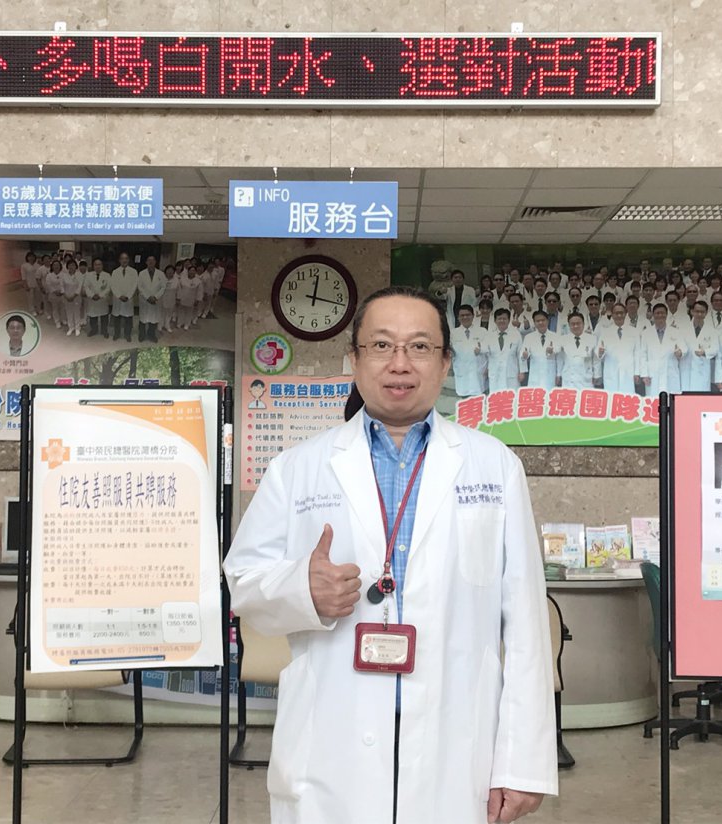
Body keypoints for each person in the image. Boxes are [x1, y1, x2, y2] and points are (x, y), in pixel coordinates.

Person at [223, 285, 557, 824]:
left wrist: (523, 762)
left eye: (419, 347)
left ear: (444, 363)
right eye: (381, 345)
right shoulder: (298, 468)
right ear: (354, 360)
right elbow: (243, 582)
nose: (400, 363)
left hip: (456, 738)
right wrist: (300, 589)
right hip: (333, 739)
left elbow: (525, 625)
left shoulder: (493, 466)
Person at [637, 304, 684, 397]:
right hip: (652, 374)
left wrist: (680, 352)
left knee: (670, 400)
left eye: (662, 313)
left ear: (666, 314)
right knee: (653, 400)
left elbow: (684, 348)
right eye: (657, 313)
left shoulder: (676, 332)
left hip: (670, 372)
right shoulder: (646, 333)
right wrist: (644, 374)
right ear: (653, 315)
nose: (660, 315)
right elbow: (643, 355)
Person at [595, 303, 637, 394]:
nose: (619, 315)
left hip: (628, 372)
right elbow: (598, 353)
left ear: (625, 314)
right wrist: (600, 352)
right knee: (612, 398)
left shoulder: (634, 331)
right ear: (612, 315)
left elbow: (638, 353)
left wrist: (637, 372)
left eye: (621, 313)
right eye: (616, 313)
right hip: (611, 371)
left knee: (627, 397)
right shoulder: (605, 332)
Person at [679, 301, 717, 392]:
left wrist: (705, 352)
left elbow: (715, 348)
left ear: (706, 313)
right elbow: (680, 346)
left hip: (702, 368)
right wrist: (681, 352)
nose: (699, 314)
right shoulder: (683, 329)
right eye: (697, 311)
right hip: (686, 367)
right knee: (686, 394)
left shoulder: (712, 330)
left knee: (701, 395)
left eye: (702, 312)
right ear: (692, 312)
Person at [449, 305, 485, 397]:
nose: (465, 317)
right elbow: (450, 351)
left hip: (477, 371)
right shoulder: (453, 333)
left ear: (473, 316)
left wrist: (481, 350)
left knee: (478, 398)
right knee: (464, 399)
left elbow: (489, 350)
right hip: (462, 372)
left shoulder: (482, 331)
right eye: (462, 315)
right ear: (458, 317)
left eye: (468, 315)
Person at [518, 311, 560, 390]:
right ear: (534, 323)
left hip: (550, 373)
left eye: (543, 320)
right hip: (535, 374)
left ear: (547, 321)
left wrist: (559, 374)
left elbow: (559, 356)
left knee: (550, 394)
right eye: (538, 321)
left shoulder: (556, 336)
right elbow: (522, 355)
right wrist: (524, 357)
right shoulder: (529, 337)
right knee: (535, 395)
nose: (540, 322)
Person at [483, 308, 521, 392]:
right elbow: (485, 354)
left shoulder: (516, 334)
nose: (502, 321)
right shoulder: (489, 335)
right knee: (496, 396)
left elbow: (520, 355)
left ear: (509, 320)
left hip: (511, 372)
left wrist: (522, 371)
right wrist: (486, 368)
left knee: (512, 396)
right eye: (499, 319)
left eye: (504, 319)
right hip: (494, 371)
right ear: (495, 320)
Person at [556, 312, 597, 390]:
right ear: (569, 325)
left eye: (578, 323)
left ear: (583, 324)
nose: (575, 326)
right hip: (569, 378)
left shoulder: (592, 339)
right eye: (573, 324)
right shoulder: (563, 339)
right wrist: (558, 374)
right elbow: (560, 359)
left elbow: (596, 359)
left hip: (586, 377)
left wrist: (597, 375)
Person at [109, 252, 139, 342]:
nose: (124, 260)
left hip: (128, 299)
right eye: (122, 258)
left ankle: (127, 335)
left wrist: (128, 296)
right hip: (118, 299)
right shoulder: (115, 272)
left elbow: (134, 285)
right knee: (117, 318)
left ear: (128, 260)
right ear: (119, 260)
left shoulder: (134, 272)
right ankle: (117, 334)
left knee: (128, 318)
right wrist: (119, 296)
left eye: (126, 258)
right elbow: (113, 285)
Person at [137, 254, 167, 342]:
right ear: (146, 262)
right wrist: (147, 297)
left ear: (155, 262)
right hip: (145, 300)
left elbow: (163, 287)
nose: (151, 262)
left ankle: (151, 335)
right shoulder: (141, 273)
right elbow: (140, 287)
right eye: (149, 260)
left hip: (155, 300)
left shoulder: (161, 274)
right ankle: (142, 335)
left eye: (152, 260)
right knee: (143, 319)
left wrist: (156, 297)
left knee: (153, 319)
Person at [83, 257, 111, 338]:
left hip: (102, 300)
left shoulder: (107, 275)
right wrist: (92, 295)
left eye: (99, 264)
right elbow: (86, 287)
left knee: (104, 316)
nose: (97, 266)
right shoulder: (88, 275)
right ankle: (94, 330)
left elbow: (108, 288)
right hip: (92, 300)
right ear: (93, 266)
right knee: (93, 316)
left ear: (102, 265)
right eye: (96, 265)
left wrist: (100, 295)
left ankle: (104, 331)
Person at [176, 263, 204, 331]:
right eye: (190, 270)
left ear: (195, 272)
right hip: (183, 298)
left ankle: (186, 324)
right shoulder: (182, 279)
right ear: (188, 271)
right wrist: (178, 298)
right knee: (181, 311)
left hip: (192, 299)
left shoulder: (198, 281)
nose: (192, 272)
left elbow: (200, 291)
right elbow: (179, 289)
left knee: (189, 312)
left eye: (193, 270)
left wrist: (197, 300)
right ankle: (179, 323)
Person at [61, 259, 84, 336]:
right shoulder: (64, 275)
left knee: (77, 312)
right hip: (66, 297)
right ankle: (71, 327)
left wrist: (73, 296)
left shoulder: (79, 275)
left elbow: (79, 287)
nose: (71, 266)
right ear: (67, 266)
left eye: (73, 265)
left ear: (76, 266)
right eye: (70, 265)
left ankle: (77, 328)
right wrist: (66, 296)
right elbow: (62, 286)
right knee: (69, 312)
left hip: (76, 297)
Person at [21, 251, 43, 315]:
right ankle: (32, 310)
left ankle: (39, 309)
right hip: (29, 284)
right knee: (30, 298)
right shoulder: (24, 266)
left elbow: (40, 275)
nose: (31, 258)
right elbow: (23, 276)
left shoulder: (37, 265)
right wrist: (25, 285)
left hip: (37, 283)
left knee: (38, 297)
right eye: (29, 257)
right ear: (27, 258)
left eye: (32, 256)